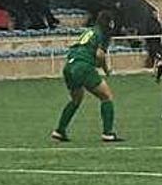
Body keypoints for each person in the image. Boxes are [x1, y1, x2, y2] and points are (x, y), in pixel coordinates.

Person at [51, 10, 124, 142]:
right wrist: (106, 69)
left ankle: (60, 131)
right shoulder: (102, 34)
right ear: (110, 23)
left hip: (69, 65)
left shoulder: (89, 31)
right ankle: (108, 133)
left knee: (76, 100)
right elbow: (100, 55)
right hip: (83, 66)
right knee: (106, 96)